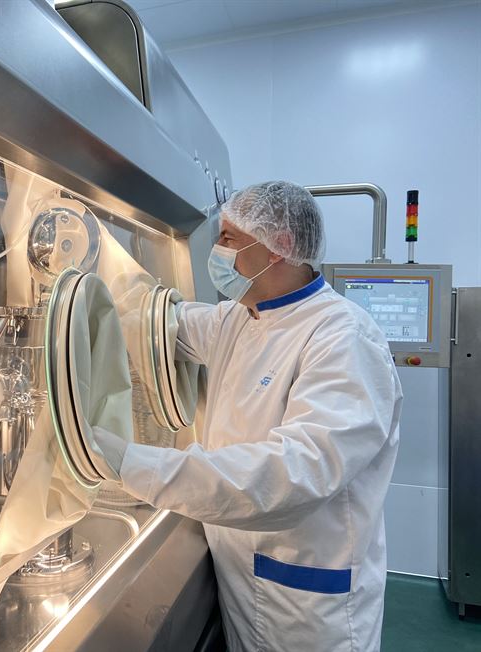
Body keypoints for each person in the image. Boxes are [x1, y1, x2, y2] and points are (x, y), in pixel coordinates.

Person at [93, 180, 402, 652]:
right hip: (241, 580)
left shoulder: (342, 337)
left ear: (279, 247)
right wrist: (85, 263)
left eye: (228, 238)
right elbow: (157, 322)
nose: (215, 251)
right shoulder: (238, 318)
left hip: (305, 600)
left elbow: (295, 473)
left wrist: (133, 464)